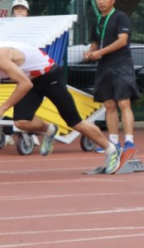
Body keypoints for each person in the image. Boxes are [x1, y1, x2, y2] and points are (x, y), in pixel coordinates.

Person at [0, 41, 125, 170]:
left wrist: (3, 108)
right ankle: (50, 130)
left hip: (49, 76)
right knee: (21, 122)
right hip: (30, 79)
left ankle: (111, 149)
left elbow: (25, 84)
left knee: (75, 122)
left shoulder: (2, 56)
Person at [85, 0, 138, 158]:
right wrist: (90, 52)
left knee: (124, 103)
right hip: (104, 66)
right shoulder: (98, 20)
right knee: (109, 104)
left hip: (122, 64)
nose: (100, 2)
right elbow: (95, 42)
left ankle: (129, 141)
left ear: (113, 0)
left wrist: (100, 52)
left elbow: (122, 41)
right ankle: (113, 142)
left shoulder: (121, 17)